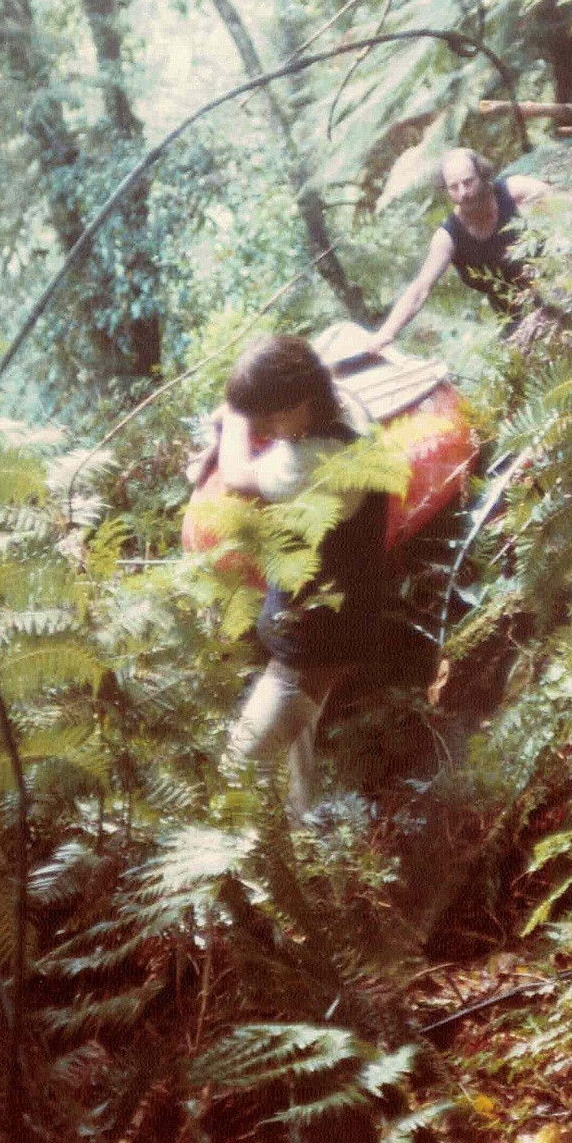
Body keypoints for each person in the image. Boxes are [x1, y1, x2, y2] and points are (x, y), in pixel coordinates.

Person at [216, 335, 387, 821]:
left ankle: (272, 856)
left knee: (236, 776)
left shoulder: (313, 459)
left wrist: (232, 418)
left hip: (313, 645)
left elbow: (236, 476)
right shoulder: (346, 406)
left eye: (269, 420)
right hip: (337, 618)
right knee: (297, 759)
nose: (264, 432)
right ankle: (304, 842)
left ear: (301, 402)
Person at [365, 148, 550, 351]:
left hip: (562, 297)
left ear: (482, 175)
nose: (463, 193)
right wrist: (386, 333)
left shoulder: (517, 193)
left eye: (468, 182)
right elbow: (420, 289)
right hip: (518, 329)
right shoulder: (448, 237)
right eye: (453, 187)